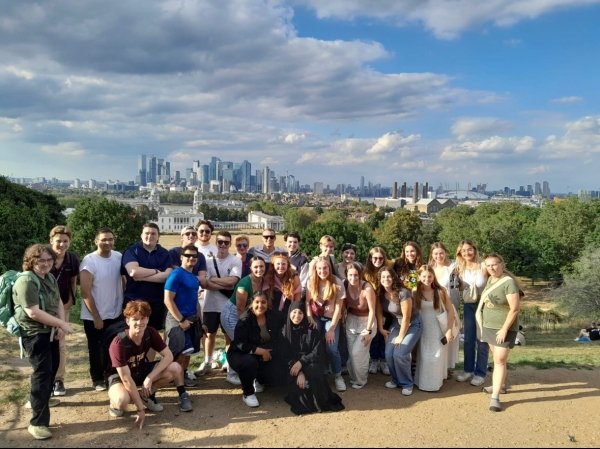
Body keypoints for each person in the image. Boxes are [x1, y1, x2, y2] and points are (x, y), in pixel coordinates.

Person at [13, 244, 74, 440]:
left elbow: (57, 302)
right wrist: (61, 324)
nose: (46, 264)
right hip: (35, 334)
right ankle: (37, 423)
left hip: (50, 331)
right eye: (41, 260)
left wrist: (59, 326)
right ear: (32, 261)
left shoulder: (48, 277)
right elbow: (33, 312)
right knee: (42, 374)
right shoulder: (26, 281)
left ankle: (43, 400)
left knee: (52, 368)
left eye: (49, 260)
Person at [106, 300, 192, 427]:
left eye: (143, 318)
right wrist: (140, 409)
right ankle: (115, 403)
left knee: (174, 368)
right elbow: (126, 379)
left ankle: (145, 396)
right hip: (118, 377)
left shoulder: (150, 332)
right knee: (122, 401)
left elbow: (168, 356)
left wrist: (150, 377)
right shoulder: (119, 343)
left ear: (147, 319)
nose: (139, 323)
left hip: (139, 369)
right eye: (135, 319)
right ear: (127, 321)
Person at [79, 228, 125, 391]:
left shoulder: (118, 257)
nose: (107, 242)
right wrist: (97, 317)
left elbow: (122, 279)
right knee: (96, 348)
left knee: (113, 347)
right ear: (96, 241)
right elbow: (85, 292)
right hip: (94, 316)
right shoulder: (89, 261)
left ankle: (110, 376)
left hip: (116, 313)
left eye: (110, 239)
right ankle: (97, 378)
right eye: (104, 239)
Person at [477, 253, 522, 412]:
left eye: (495, 264)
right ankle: (500, 386)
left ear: (502, 264)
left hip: (504, 328)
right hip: (489, 325)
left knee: (500, 360)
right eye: (488, 266)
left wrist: (504, 329)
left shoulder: (508, 282)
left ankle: (495, 397)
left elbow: (515, 309)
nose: (492, 268)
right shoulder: (491, 279)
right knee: (497, 357)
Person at [282, 302, 345, 415]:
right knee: (299, 392)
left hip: (310, 363)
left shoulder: (312, 329)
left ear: (305, 315)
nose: (297, 316)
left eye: (300, 313)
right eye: (294, 312)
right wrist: (299, 372)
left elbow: (317, 352)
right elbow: (285, 355)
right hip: (292, 366)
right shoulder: (284, 332)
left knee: (314, 370)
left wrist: (302, 362)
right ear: (289, 313)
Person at [226, 292, 287, 408]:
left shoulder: (272, 315)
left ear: (267, 304)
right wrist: (262, 351)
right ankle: (248, 393)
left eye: (263, 302)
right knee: (249, 363)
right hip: (240, 354)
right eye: (257, 302)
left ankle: (259, 379)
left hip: (262, 352)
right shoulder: (244, 320)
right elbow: (241, 345)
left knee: (278, 372)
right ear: (251, 304)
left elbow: (288, 319)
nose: (260, 305)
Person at [197, 231, 242, 375]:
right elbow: (205, 284)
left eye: (226, 242)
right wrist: (224, 284)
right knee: (210, 334)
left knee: (229, 335)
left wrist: (214, 280)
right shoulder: (208, 261)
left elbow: (233, 281)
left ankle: (228, 363)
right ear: (216, 243)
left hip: (228, 305)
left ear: (230, 244)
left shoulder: (235, 260)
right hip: (210, 304)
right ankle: (207, 361)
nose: (223, 245)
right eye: (220, 242)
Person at [220, 256, 268, 385]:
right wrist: (249, 327)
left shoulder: (262, 280)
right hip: (233, 313)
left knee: (244, 341)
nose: (259, 269)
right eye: (256, 267)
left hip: (246, 312)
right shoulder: (244, 283)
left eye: (261, 266)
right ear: (250, 268)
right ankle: (232, 373)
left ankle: (250, 372)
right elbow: (240, 309)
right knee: (239, 341)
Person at [376, 266, 422, 396]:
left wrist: (401, 337)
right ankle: (395, 380)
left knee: (400, 353)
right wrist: (381, 328)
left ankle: (407, 384)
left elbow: (407, 317)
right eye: (383, 277)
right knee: (389, 353)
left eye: (389, 276)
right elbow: (379, 312)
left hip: (413, 324)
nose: (386, 279)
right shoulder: (380, 293)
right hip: (397, 324)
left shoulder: (403, 292)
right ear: (380, 279)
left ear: (394, 278)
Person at [305, 256, 347, 392]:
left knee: (331, 348)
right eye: (319, 268)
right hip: (316, 317)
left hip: (331, 319)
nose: (322, 271)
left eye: (325, 268)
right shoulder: (312, 281)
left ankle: (337, 375)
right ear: (315, 270)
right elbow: (307, 302)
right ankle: (318, 373)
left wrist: (331, 329)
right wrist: (309, 316)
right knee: (314, 345)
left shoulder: (337, 282)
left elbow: (338, 309)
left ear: (329, 268)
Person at [164, 244, 203, 388]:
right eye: (188, 255)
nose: (191, 258)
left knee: (189, 351)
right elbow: (167, 299)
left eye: (194, 256)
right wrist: (181, 320)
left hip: (192, 319)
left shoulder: (193, 277)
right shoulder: (176, 274)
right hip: (178, 319)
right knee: (177, 352)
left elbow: (195, 301)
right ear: (181, 257)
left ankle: (183, 374)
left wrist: (200, 320)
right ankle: (169, 377)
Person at [122, 223, 173, 333]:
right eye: (147, 233)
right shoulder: (132, 251)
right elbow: (133, 272)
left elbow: (167, 276)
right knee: (133, 334)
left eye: (153, 233)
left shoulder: (164, 253)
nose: (150, 236)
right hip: (134, 301)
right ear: (141, 235)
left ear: (158, 236)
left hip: (156, 302)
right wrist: (156, 271)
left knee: (152, 336)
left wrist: (141, 277)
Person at [47, 225, 80, 397]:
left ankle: (58, 379)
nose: (62, 244)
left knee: (60, 343)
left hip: (63, 307)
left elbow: (73, 282)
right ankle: (46, 380)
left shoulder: (72, 259)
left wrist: (69, 303)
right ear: (51, 241)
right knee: (44, 343)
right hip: (44, 308)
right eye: (58, 241)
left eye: (65, 241)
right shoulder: (43, 257)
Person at [413, 265, 456, 392]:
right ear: (419, 277)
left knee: (436, 356)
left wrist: (449, 330)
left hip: (438, 327)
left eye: (430, 276)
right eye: (424, 276)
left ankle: (434, 383)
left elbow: (450, 311)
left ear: (433, 277)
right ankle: (422, 382)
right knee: (424, 356)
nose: (427, 279)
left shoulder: (440, 291)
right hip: (422, 328)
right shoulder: (415, 291)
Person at [454, 240, 489, 387]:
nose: (467, 253)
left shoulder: (484, 265)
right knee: (468, 340)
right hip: (468, 305)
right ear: (460, 253)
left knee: (482, 340)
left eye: (469, 250)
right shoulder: (459, 268)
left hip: (484, 305)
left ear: (474, 250)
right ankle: (468, 370)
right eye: (463, 251)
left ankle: (480, 373)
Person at [428, 242, 460, 373]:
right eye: (435, 253)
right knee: (437, 336)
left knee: (450, 333)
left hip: (450, 305)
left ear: (445, 252)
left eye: (441, 253)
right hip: (434, 307)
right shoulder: (430, 268)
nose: (439, 256)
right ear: (432, 254)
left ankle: (448, 367)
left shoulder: (453, 267)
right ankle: (438, 365)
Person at [344, 262, 376, 389]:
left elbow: (373, 311)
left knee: (358, 352)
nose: (353, 278)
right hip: (351, 321)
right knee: (351, 353)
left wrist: (368, 331)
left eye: (356, 275)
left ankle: (361, 380)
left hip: (367, 322)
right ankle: (354, 377)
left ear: (360, 275)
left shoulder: (367, 288)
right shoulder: (345, 284)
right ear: (346, 275)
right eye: (350, 275)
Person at [363, 247, 394, 376]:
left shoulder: (390, 267)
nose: (378, 260)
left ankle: (383, 360)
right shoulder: (366, 272)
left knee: (385, 334)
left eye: (381, 258)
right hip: (372, 307)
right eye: (375, 258)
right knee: (375, 335)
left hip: (387, 307)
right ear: (370, 258)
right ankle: (374, 360)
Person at [265, 251, 302, 329]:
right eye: (278, 264)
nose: (281, 266)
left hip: (288, 306)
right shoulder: (269, 277)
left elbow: (298, 294)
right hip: (272, 307)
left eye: (283, 264)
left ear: (287, 265)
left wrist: (295, 310)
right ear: (273, 265)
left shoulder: (293, 277)